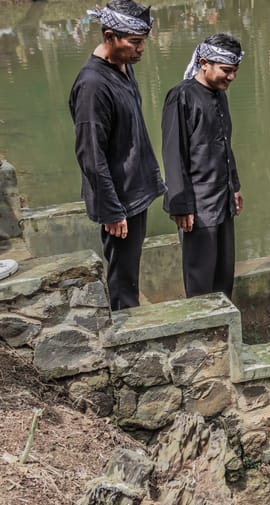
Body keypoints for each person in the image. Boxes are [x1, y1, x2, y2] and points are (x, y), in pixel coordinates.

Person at [68, 0, 164, 310]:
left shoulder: (122, 67)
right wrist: (111, 209)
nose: (140, 49)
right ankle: (127, 342)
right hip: (119, 198)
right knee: (122, 278)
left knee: (130, 269)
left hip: (134, 188)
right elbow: (91, 154)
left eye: (143, 42)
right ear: (109, 37)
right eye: (134, 42)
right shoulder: (93, 84)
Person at [161, 33, 245, 299]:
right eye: (226, 70)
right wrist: (181, 204)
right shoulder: (181, 96)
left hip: (222, 199)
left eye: (235, 71)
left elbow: (224, 146)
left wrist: (235, 187)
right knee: (200, 276)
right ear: (204, 63)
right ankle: (202, 333)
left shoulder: (220, 95)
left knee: (224, 272)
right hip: (198, 205)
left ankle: (223, 329)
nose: (231, 77)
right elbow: (173, 154)